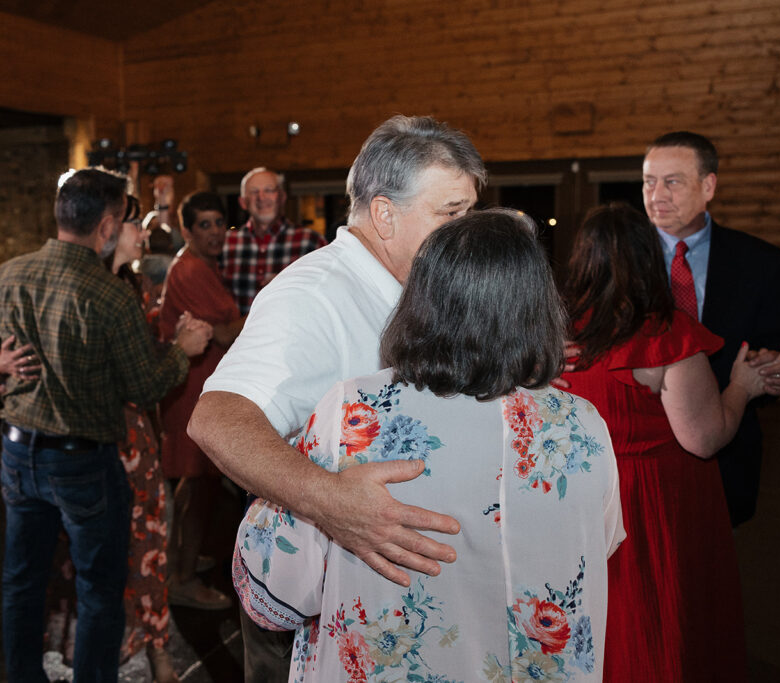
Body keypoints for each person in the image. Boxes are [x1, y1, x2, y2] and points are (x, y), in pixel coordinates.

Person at [233, 209, 625, 682]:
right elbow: (592, 547)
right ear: (534, 308)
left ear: (421, 299)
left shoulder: (356, 411)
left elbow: (281, 581)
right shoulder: (581, 426)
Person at [189, 115, 485, 681]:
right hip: (309, 594)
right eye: (451, 215)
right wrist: (331, 501)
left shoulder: (404, 281)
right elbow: (217, 419)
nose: (463, 233)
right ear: (383, 213)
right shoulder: (314, 296)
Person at [0, 168, 211, 683]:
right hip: (82, 462)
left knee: (21, 583)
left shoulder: (11, 273)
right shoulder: (108, 295)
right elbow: (144, 385)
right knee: (99, 590)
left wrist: (0, 358)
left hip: (16, 455)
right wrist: (183, 353)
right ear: (105, 227)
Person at [559, 203, 780, 681]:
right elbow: (704, 438)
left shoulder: (553, 338)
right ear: (649, 259)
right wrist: (742, 389)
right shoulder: (665, 335)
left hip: (583, 498)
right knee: (660, 611)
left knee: (603, 613)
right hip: (656, 501)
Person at [642, 131, 780, 526]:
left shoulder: (761, 261)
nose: (656, 195)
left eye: (672, 181)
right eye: (649, 181)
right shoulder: (618, 257)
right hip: (638, 452)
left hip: (726, 454)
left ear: (708, 185)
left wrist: (771, 368)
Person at [158, 191, 244, 609]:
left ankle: (180, 561)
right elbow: (227, 333)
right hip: (191, 389)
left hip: (196, 386)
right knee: (197, 485)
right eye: (203, 225)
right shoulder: (191, 270)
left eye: (218, 223)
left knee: (195, 485)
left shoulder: (201, 266)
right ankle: (184, 580)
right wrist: (268, 306)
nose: (214, 233)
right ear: (188, 230)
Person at [221, 167, 327, 315]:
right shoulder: (226, 243)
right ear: (243, 202)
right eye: (254, 192)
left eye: (269, 190)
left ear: (282, 197)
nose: (262, 197)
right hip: (238, 337)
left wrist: (288, 285)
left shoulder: (311, 242)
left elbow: (329, 294)